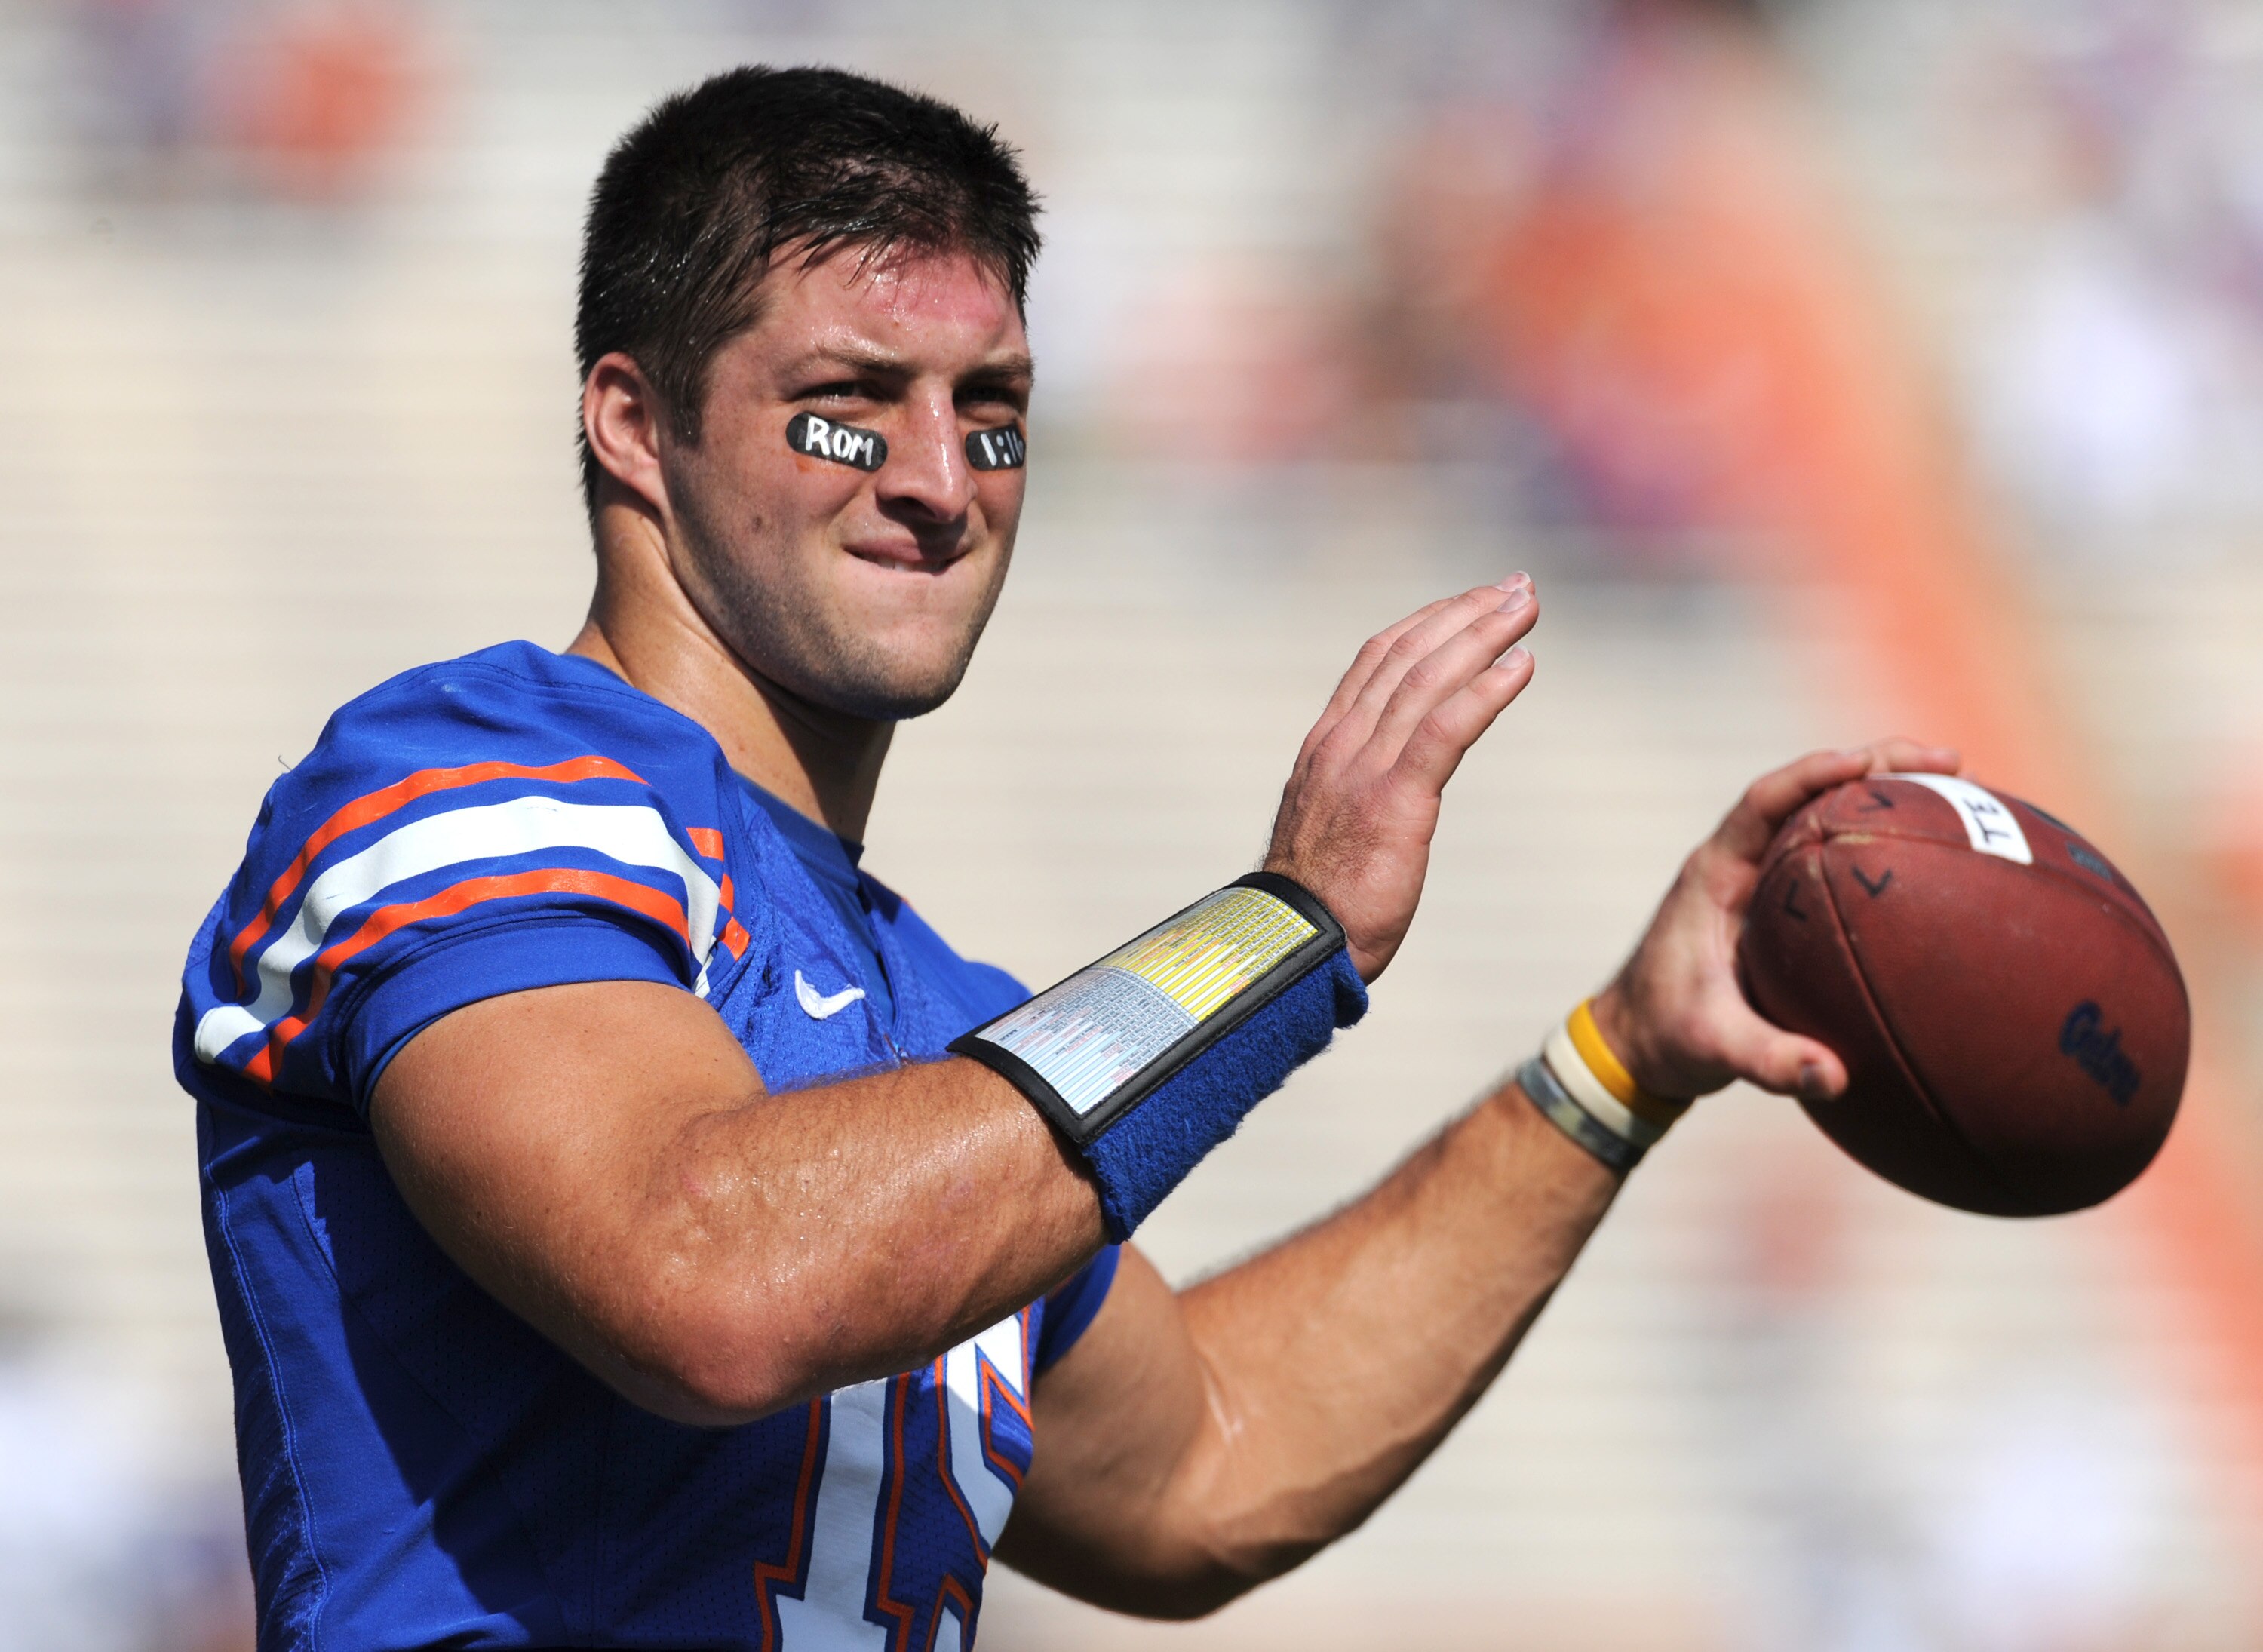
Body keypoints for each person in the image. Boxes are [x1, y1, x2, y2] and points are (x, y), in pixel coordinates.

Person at [174, 64, 1956, 1651]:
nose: (941, 477)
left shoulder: (939, 1027)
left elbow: (1200, 1470)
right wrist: (1283, 935)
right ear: (633, 423)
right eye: (848, 401)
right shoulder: (474, 779)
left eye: (994, 407)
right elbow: (708, 1275)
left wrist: (1619, 1059)